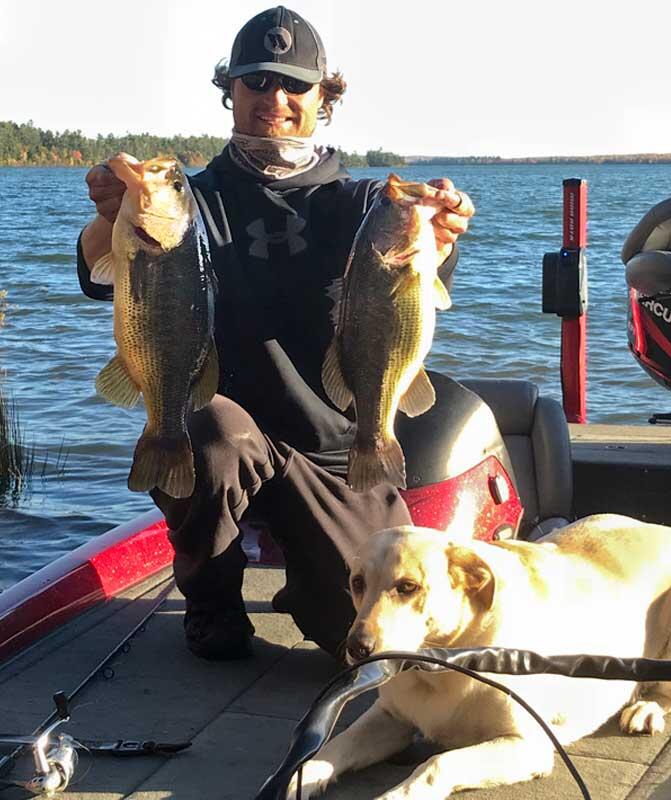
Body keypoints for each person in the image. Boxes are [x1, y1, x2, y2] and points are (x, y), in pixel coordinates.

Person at [77, 6, 473, 661]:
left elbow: (417, 279)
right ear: (229, 91)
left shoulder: (367, 205)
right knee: (207, 432)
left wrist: (441, 225)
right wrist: (110, 216)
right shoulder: (188, 201)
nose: (275, 99)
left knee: (358, 643)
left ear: (325, 98)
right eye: (256, 82)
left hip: (337, 450)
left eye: (295, 85)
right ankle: (211, 605)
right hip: (232, 434)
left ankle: (311, 583)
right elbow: (102, 271)